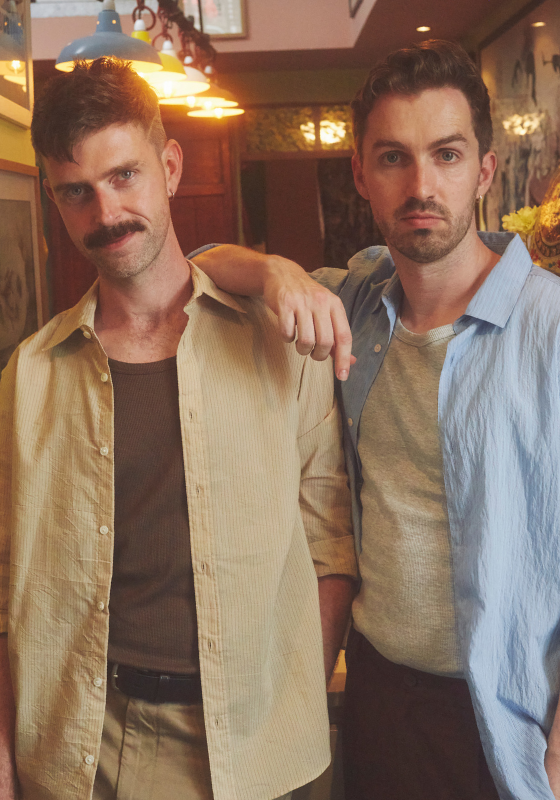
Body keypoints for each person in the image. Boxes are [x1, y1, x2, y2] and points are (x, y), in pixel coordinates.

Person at [190, 39, 560, 800]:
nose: (421, 186)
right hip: (378, 695)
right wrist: (273, 270)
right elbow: (197, 265)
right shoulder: (356, 300)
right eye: (394, 158)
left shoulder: (550, 329)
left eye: (447, 155)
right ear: (360, 173)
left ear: (484, 171)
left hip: (515, 712)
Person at [0, 57, 357, 800]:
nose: (106, 213)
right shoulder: (29, 376)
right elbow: (8, 586)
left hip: (262, 744)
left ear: (169, 167)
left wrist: (292, 697)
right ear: (55, 199)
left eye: (124, 176)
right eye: (77, 191)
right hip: (80, 747)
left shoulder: (284, 341)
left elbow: (329, 543)